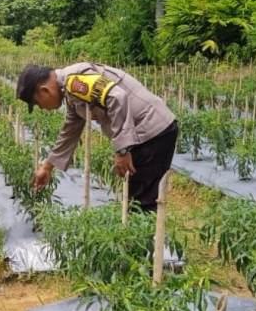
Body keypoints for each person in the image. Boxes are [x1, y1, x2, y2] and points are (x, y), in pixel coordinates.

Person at [16, 62, 178, 212]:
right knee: (137, 200)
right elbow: (70, 129)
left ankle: (143, 241)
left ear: (45, 90)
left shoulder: (75, 82)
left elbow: (117, 97)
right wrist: (47, 167)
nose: (42, 108)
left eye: (38, 103)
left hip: (152, 132)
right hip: (147, 134)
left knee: (141, 202)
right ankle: (144, 239)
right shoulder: (70, 91)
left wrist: (122, 150)